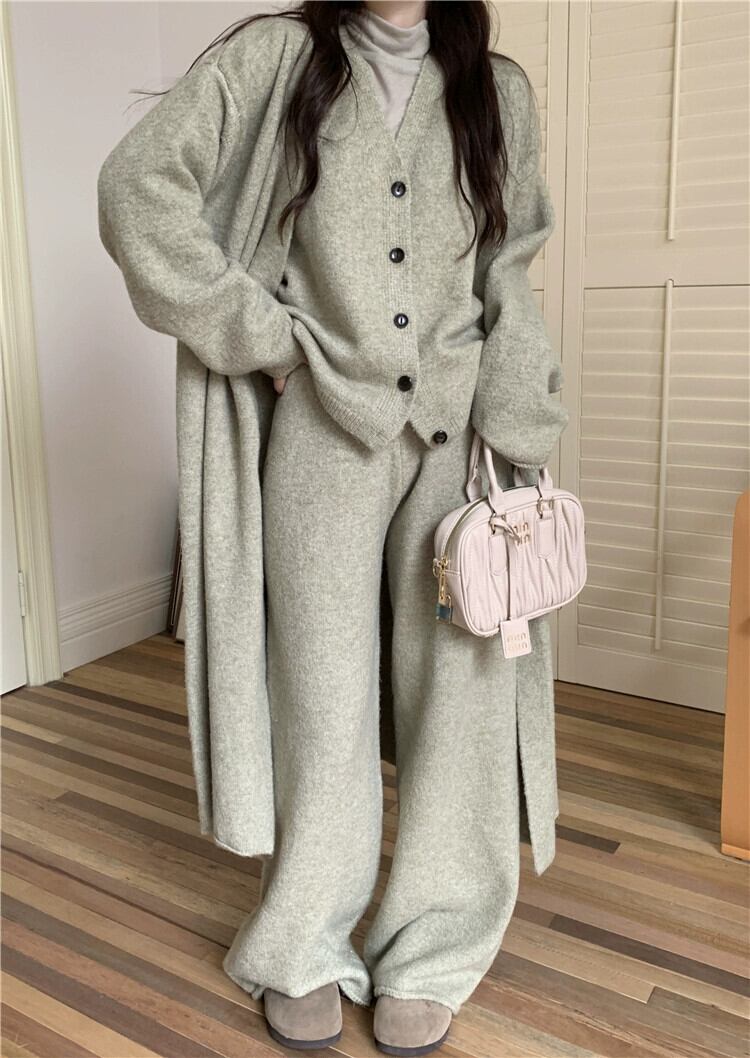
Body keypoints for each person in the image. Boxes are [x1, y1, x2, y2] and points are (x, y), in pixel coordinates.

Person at [97, 2, 569, 1054]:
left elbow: (508, 266)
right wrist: (262, 336)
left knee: (461, 706)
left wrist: (519, 420)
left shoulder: (499, 91)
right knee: (320, 698)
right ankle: (304, 942)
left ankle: (433, 949)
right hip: (321, 438)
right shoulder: (276, 59)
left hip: (459, 444)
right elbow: (138, 188)